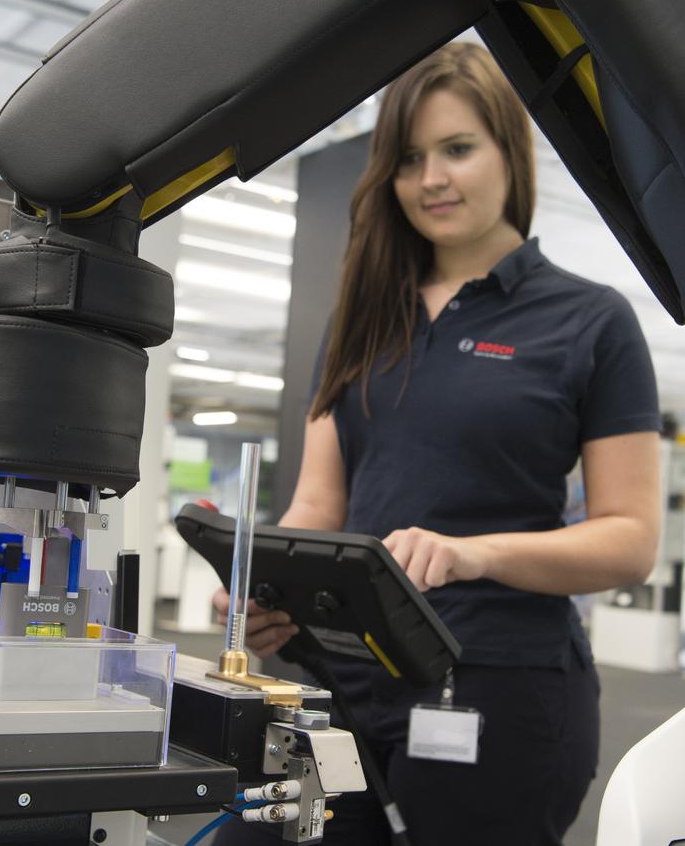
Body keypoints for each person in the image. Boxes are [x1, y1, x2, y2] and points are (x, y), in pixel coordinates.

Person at [210, 42, 661, 846]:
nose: (431, 179)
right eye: (410, 158)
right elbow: (320, 502)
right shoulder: (361, 320)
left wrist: (470, 553)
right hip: (342, 684)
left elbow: (630, 541)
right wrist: (262, 587)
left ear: (509, 154)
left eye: (457, 149)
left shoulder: (591, 321)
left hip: (500, 686)